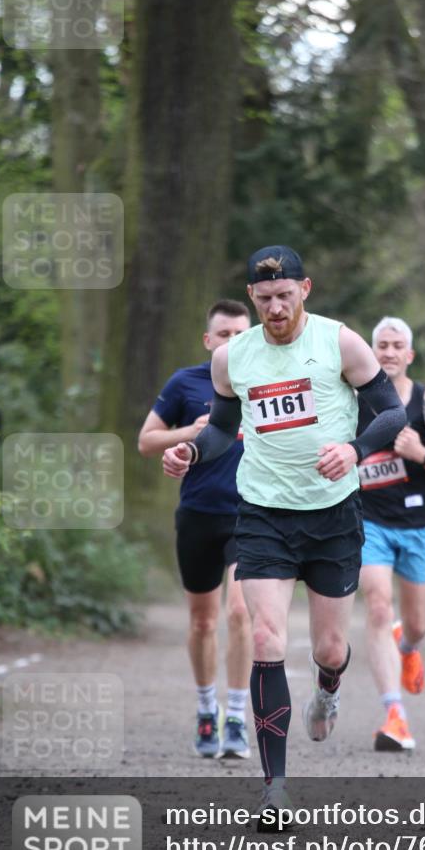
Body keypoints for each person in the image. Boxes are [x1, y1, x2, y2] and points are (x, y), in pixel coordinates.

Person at [162, 245, 407, 820]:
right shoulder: (233, 358)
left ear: (305, 289)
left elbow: (392, 413)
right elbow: (224, 430)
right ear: (252, 297)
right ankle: (275, 790)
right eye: (265, 299)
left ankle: (329, 688)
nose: (275, 309)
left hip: (332, 515)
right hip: (264, 512)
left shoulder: (339, 342)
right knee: (266, 639)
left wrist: (353, 449)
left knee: (329, 648)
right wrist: (191, 451)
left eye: (285, 296)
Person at [138, 300, 253, 760]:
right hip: (199, 514)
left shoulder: (267, 385)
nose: (232, 342)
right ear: (209, 341)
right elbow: (146, 441)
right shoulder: (185, 382)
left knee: (242, 614)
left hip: (253, 514)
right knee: (203, 620)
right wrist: (190, 430)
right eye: (224, 334)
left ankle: (238, 719)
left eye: (241, 334)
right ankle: (207, 711)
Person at [357, 317, 425, 753]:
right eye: (380, 344)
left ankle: (408, 646)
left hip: (420, 526)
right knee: (378, 607)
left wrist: (419, 453)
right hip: (370, 524)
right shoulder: (354, 400)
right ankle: (394, 714)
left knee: (417, 627)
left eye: (395, 345)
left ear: (410, 354)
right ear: (371, 350)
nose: (387, 352)